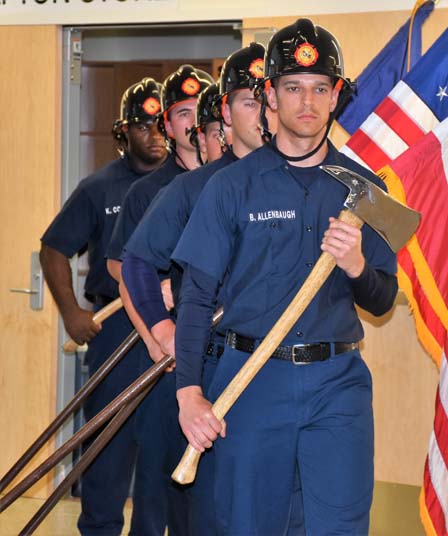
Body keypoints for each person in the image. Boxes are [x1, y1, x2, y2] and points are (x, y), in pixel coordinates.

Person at [173, 19, 398, 534]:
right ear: (270, 95)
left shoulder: (364, 190)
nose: (307, 102)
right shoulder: (231, 187)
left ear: (336, 95)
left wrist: (358, 266)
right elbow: (196, 298)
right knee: (250, 525)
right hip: (250, 381)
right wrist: (189, 394)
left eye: (321, 88)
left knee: (339, 525)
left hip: (337, 387)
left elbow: (384, 300)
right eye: (293, 88)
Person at [120, 43, 305, 535]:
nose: (263, 112)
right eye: (249, 101)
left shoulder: (302, 179)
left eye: (269, 99)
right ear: (224, 112)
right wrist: (161, 331)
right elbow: (137, 262)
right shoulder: (197, 187)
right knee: (200, 513)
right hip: (205, 370)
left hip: (282, 376)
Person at [39, 77, 167, 536]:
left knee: (162, 448)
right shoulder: (99, 188)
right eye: (142, 125)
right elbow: (53, 248)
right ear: (122, 133)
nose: (154, 133)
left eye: (160, 122)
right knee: (107, 452)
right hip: (115, 329)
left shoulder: (183, 183)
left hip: (166, 325)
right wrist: (72, 313)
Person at [107, 64, 213, 536]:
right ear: (167, 126)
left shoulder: (230, 183)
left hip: (216, 357)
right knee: (153, 488)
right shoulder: (146, 191)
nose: (192, 125)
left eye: (200, 113)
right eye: (182, 114)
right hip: (163, 358)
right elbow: (125, 269)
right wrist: (153, 335)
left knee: (203, 494)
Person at [190, 82, 228, 166]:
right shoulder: (188, 179)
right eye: (219, 136)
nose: (227, 146)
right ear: (202, 140)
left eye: (236, 135)